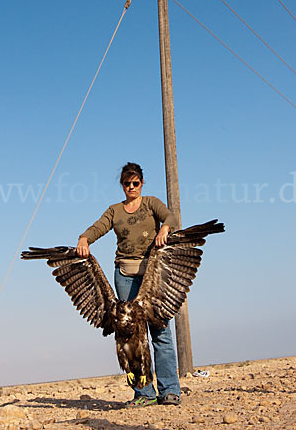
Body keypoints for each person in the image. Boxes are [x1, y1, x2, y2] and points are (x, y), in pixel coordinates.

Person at [77, 162, 182, 407]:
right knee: (129, 337)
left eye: (135, 183)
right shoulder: (115, 210)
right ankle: (144, 392)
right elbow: (98, 227)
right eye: (127, 183)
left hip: (152, 276)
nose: (131, 187)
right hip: (124, 274)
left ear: (142, 183)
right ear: (122, 185)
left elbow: (170, 216)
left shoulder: (151, 203)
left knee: (161, 332)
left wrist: (165, 228)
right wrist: (84, 238)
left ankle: (170, 390)